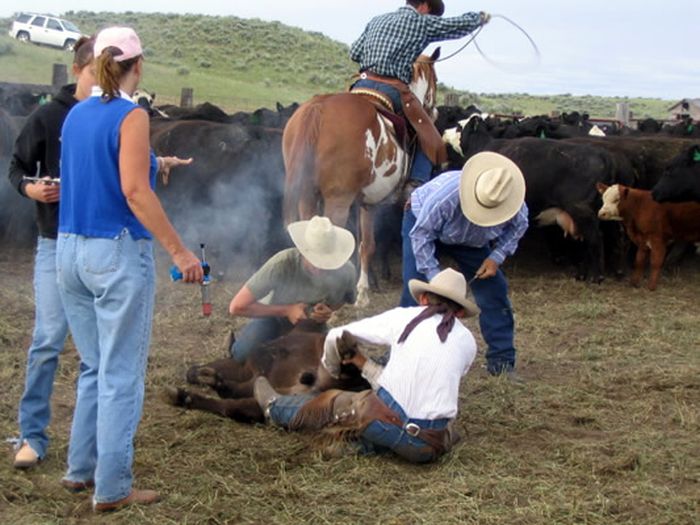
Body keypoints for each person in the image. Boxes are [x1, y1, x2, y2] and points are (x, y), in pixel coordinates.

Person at [56, 26, 203, 512]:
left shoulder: (76, 114)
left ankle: (80, 470)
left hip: (69, 250)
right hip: (114, 253)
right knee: (121, 373)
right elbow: (135, 192)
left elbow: (94, 169)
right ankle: (114, 486)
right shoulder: (132, 115)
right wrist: (180, 252)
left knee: (94, 365)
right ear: (137, 66)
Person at [253, 268, 479, 463]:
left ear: (423, 299)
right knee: (423, 427)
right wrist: (363, 364)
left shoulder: (404, 318)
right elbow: (414, 383)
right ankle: (360, 447)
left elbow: (337, 334)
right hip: (427, 447)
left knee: (339, 402)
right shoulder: (468, 341)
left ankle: (275, 408)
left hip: (384, 423)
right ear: (459, 312)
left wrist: (331, 369)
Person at [7, 35, 96, 470]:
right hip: (54, 242)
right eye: (98, 71)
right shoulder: (47, 117)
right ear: (79, 69)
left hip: (98, 245)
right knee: (47, 340)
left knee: (93, 350)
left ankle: (87, 441)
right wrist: (31, 188)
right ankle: (32, 434)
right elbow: (16, 167)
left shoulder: (112, 117)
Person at [401, 151, 528, 377]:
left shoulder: (510, 200)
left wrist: (495, 257)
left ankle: (502, 362)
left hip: (472, 241)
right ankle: (401, 353)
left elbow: (519, 226)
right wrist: (434, 276)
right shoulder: (445, 197)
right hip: (425, 226)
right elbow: (421, 235)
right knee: (415, 286)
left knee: (494, 290)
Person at [349, 1, 489, 184]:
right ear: (425, 6)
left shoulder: (377, 20)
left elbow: (354, 52)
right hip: (391, 90)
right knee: (426, 130)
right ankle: (416, 181)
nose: (430, 18)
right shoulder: (420, 22)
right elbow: (456, 25)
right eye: (431, 15)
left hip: (361, 85)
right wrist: (478, 18)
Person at [228, 215, 357, 362]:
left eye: (326, 263)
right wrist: (286, 310)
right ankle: (236, 347)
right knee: (243, 356)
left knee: (331, 362)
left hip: (311, 325)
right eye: (314, 261)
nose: (320, 268)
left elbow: (343, 299)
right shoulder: (282, 264)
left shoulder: (347, 271)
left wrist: (327, 310)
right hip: (272, 318)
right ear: (303, 251)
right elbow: (236, 306)